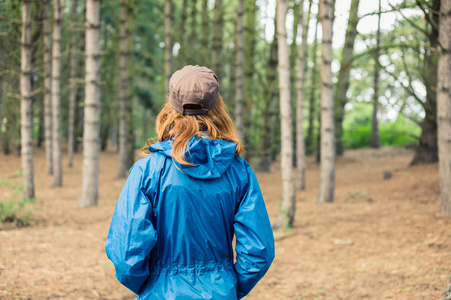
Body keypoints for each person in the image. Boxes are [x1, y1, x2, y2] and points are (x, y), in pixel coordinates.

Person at [105, 65, 275, 299]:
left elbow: (125, 252)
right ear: (218, 107)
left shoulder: (147, 170)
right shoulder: (239, 171)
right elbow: (259, 251)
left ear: (171, 108)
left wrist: (152, 286)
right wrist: (229, 287)